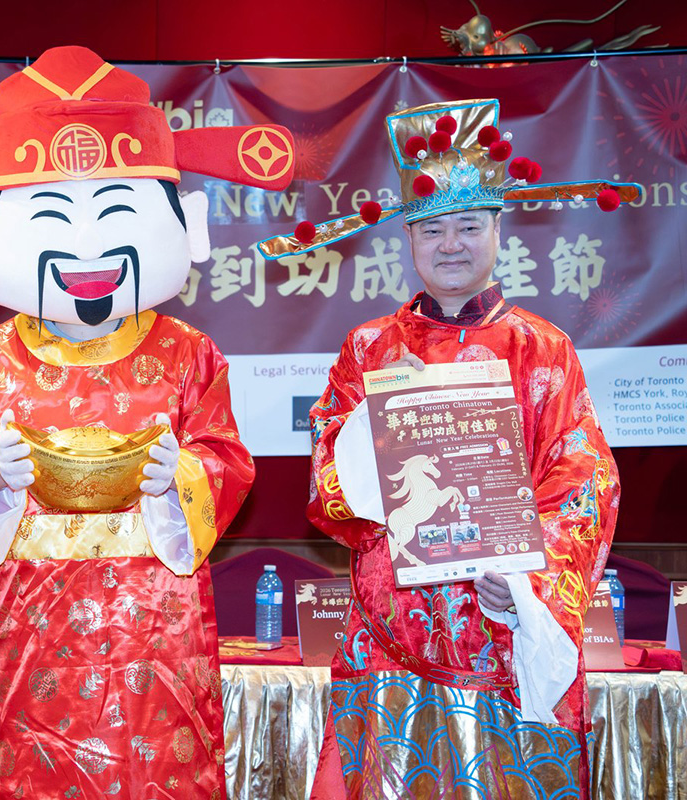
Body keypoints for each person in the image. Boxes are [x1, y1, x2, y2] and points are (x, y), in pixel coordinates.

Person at [0, 46, 296, 798]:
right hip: (35, 615)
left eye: (116, 215)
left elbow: (226, 455)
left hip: (157, 621)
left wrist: (180, 478)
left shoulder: (189, 353)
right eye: (51, 219)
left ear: (189, 228)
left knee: (158, 773)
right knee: (38, 770)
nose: (87, 249)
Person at [257, 99, 640, 798]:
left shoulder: (542, 348)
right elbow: (327, 483)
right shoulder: (369, 349)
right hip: (388, 640)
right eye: (432, 229)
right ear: (409, 239)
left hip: (503, 630)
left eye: (468, 225)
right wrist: (373, 421)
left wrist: (524, 583)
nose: (451, 244)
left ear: (498, 229)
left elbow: (583, 478)